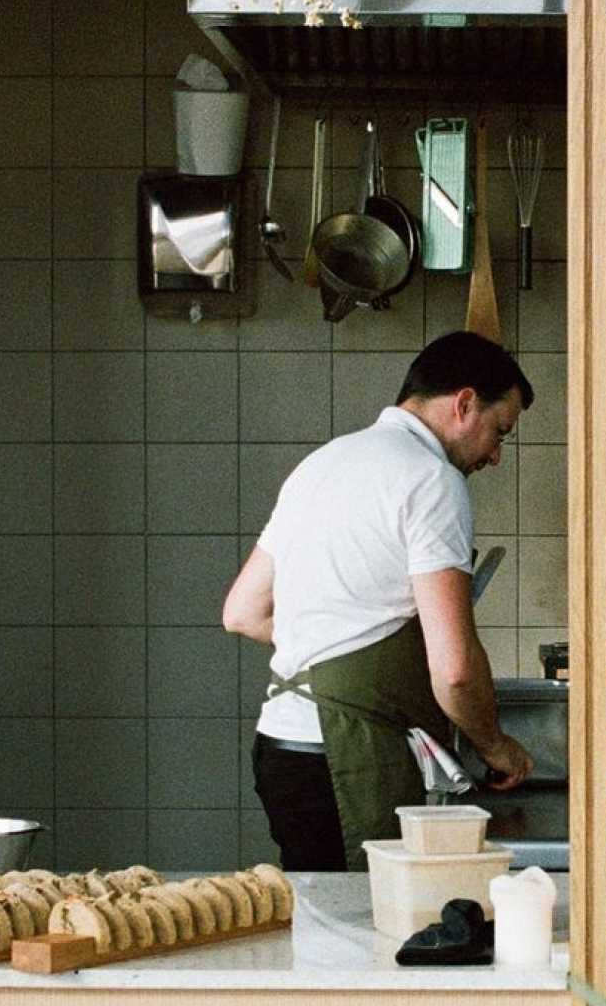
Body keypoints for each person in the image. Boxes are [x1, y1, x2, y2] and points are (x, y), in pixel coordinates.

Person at [222, 331, 536, 871]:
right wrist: (495, 746)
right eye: (499, 431)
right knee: (366, 940)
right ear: (464, 404)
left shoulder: (322, 464)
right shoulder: (433, 482)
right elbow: (456, 670)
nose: (496, 456)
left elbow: (244, 613)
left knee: (324, 937)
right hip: (348, 760)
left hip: (282, 750)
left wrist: (332, 640)